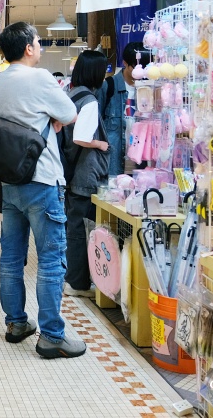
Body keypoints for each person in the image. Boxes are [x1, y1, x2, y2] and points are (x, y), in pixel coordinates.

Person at [0, 22, 86, 359]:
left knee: (11, 258)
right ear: (28, 47)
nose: (41, 45)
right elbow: (69, 113)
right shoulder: (41, 77)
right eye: (38, 41)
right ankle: (53, 336)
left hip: (9, 180)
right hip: (42, 179)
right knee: (50, 261)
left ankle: (16, 323)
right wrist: (52, 119)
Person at [62, 50, 111, 299]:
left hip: (73, 174)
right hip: (85, 176)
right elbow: (80, 137)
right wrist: (101, 145)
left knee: (75, 228)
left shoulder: (71, 95)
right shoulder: (89, 100)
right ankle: (78, 283)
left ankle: (74, 279)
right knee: (83, 230)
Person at [101, 42, 149, 176]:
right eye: (135, 67)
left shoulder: (149, 87)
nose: (141, 71)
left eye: (144, 67)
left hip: (142, 160)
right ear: (125, 63)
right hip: (114, 160)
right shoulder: (109, 86)